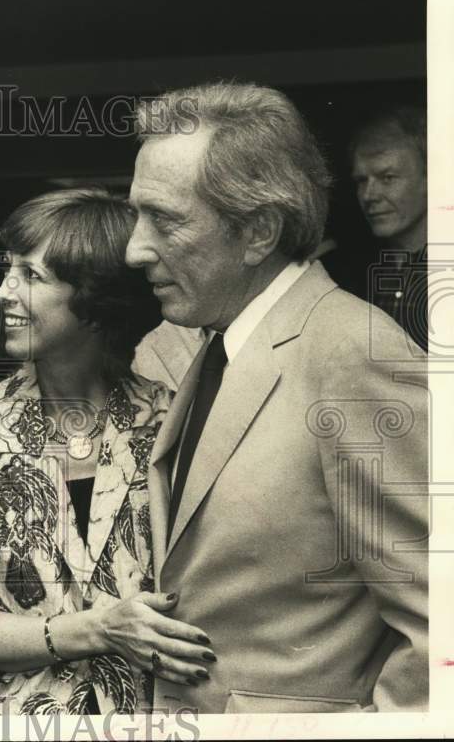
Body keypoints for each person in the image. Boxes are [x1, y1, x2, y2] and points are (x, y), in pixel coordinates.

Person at [125, 82, 428, 713]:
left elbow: (441, 627)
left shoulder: (353, 351)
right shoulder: (218, 341)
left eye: (165, 219)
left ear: (258, 231)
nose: (134, 248)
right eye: (135, 213)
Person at [0, 189, 215, 715]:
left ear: (95, 302)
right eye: (8, 270)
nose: (3, 292)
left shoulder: (174, 424)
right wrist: (97, 630)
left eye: (31, 276)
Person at [349, 105, 429, 350]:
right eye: (361, 180)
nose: (369, 195)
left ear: (431, 178)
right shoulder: (349, 275)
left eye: (387, 178)